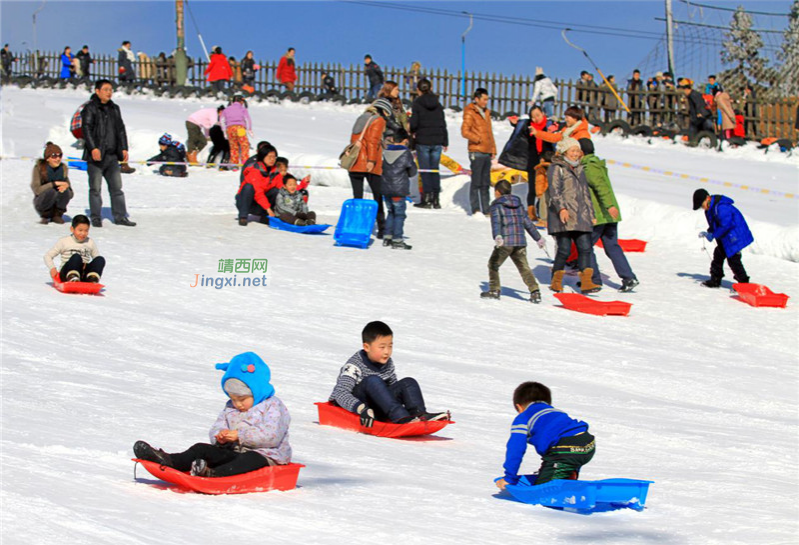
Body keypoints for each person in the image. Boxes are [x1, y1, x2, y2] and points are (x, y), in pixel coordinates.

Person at [133, 352, 292, 478]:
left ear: (257, 391)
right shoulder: (231, 407)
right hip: (233, 452)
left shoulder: (273, 406)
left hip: (266, 456)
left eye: (242, 399)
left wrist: (239, 435)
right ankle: (169, 460)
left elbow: (272, 435)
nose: (237, 404)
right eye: (233, 399)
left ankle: (212, 474)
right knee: (200, 448)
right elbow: (218, 425)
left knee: (249, 459)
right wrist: (220, 436)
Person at [329, 321, 449, 426]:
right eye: (382, 347)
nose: (387, 352)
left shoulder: (387, 363)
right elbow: (339, 393)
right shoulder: (354, 366)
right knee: (373, 381)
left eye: (390, 346)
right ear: (367, 347)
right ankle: (402, 418)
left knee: (408, 382)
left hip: (378, 407)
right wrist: (361, 409)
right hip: (360, 408)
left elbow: (393, 391)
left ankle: (419, 415)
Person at [495, 381, 594, 490]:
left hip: (564, 449)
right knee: (563, 462)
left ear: (519, 407)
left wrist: (509, 478)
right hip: (587, 444)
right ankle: (568, 477)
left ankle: (561, 488)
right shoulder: (555, 412)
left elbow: (516, 448)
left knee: (543, 489)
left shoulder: (523, 417)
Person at [580, 139, 639, 293]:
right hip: (609, 215)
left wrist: (609, 206)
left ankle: (594, 280)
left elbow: (601, 188)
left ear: (581, 152)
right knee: (612, 246)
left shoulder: (588, 167)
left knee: (586, 246)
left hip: (600, 214)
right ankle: (628, 277)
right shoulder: (597, 164)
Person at [546, 137, 598, 294]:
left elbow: (585, 193)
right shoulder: (557, 168)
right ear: (564, 152)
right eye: (573, 150)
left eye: (577, 150)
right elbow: (554, 191)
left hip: (581, 215)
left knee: (585, 247)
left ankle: (586, 281)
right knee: (564, 250)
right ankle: (556, 280)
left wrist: (591, 213)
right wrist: (562, 208)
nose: (576, 154)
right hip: (564, 215)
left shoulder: (580, 168)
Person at [81, 79, 136, 227]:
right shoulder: (90, 108)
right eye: (105, 89)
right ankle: (96, 217)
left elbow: (120, 129)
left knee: (117, 188)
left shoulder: (114, 108)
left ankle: (120, 217)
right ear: (97, 91)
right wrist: (93, 148)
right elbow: (86, 129)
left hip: (112, 156)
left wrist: (124, 148)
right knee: (95, 189)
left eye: (110, 89)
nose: (109, 92)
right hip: (96, 156)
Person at [481, 180, 545, 303]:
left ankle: (494, 290)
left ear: (498, 192)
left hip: (505, 242)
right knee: (524, 268)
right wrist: (538, 238)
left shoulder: (497, 205)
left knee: (493, 264)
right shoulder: (519, 205)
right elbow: (527, 223)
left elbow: (496, 223)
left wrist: (498, 236)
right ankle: (535, 292)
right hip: (520, 242)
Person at [499, 105, 556, 220]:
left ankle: (544, 213)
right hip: (533, 161)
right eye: (533, 117)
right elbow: (521, 127)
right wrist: (515, 123)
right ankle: (532, 212)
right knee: (533, 188)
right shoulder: (528, 126)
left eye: (538, 115)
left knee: (546, 187)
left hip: (548, 161)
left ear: (543, 114)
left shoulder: (550, 125)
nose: (536, 119)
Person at [345, 100, 390, 237]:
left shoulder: (362, 118)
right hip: (369, 164)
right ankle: (382, 229)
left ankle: (356, 226)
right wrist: (371, 160)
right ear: (383, 110)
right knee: (377, 196)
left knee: (357, 197)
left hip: (355, 163)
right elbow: (372, 141)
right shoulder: (378, 120)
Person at [693, 188, 753, 288]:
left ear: (708, 198)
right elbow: (715, 224)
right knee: (718, 255)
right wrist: (709, 232)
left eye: (702, 205)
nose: (702, 208)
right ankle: (715, 280)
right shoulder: (709, 210)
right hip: (726, 236)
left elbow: (725, 225)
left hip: (735, 236)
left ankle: (744, 284)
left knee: (733, 260)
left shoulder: (721, 207)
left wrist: (713, 235)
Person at [410, 78, 448, 210]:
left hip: (423, 140)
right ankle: (436, 200)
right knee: (434, 170)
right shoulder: (437, 103)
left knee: (425, 170)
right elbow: (443, 122)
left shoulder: (417, 103)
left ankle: (426, 199)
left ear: (418, 90)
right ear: (430, 88)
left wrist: (413, 130)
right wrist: (445, 140)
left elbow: (414, 123)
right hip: (437, 140)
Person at [461, 88, 497, 216]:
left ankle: (486, 208)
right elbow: (464, 131)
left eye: (487, 99)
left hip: (487, 151)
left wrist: (493, 149)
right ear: (477, 99)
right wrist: (478, 139)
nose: (486, 102)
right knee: (476, 181)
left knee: (486, 182)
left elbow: (489, 132)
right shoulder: (470, 111)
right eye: (484, 99)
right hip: (476, 151)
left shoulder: (486, 112)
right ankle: (475, 208)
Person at [380, 130, 417, 249]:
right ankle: (397, 239)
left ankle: (387, 237)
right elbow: (412, 172)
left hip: (386, 188)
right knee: (400, 215)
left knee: (391, 212)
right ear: (405, 141)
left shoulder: (385, 152)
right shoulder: (405, 153)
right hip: (399, 189)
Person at [44, 214, 106, 283]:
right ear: (72, 229)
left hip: (82, 273)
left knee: (100, 259)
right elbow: (48, 256)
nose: (83, 233)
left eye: (86, 231)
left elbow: (96, 259)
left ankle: (92, 279)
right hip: (66, 272)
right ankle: (72, 277)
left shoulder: (90, 242)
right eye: (80, 230)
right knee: (76, 257)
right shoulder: (64, 241)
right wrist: (52, 268)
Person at [237, 144, 281, 226]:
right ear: (262, 157)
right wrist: (269, 209)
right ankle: (243, 216)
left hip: (261, 204)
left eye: (274, 157)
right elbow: (258, 193)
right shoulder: (255, 170)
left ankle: (265, 217)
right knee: (248, 187)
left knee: (276, 191)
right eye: (269, 157)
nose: (272, 159)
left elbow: (282, 188)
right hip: (246, 202)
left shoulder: (275, 172)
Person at [31, 142, 73, 224]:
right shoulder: (39, 168)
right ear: (47, 158)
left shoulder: (63, 169)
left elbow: (71, 194)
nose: (58, 159)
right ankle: (45, 215)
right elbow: (37, 190)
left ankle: (57, 215)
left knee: (64, 191)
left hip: (56, 203)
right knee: (51, 191)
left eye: (60, 155)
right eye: (54, 156)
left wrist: (67, 187)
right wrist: (54, 184)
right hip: (42, 201)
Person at [220, 94, 252, 167]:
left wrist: (224, 131)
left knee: (233, 147)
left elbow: (222, 120)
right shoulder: (243, 109)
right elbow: (247, 119)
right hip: (240, 128)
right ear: (241, 101)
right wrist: (249, 129)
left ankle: (234, 164)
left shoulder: (226, 109)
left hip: (230, 129)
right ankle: (245, 162)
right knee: (244, 145)